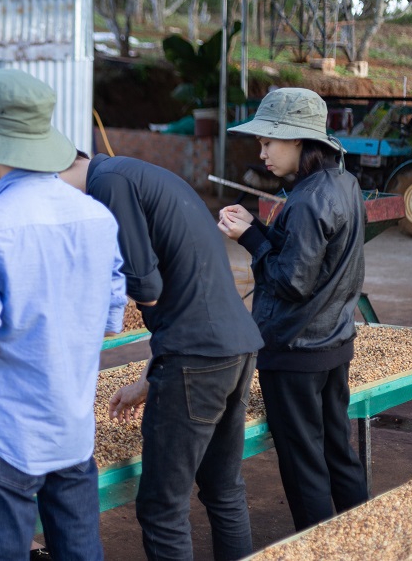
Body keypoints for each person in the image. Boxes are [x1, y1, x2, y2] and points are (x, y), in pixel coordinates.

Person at [0, 68, 126, 561]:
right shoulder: (97, 216)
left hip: (7, 433)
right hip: (72, 426)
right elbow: (112, 319)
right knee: (80, 551)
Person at [59, 151, 264, 561]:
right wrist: (150, 379)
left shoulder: (108, 183)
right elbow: (186, 287)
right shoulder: (138, 174)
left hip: (196, 357)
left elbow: (147, 288)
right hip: (236, 347)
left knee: (161, 508)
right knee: (223, 490)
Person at [218, 87, 369, 531]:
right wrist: (258, 227)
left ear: (299, 140)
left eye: (268, 142)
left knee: (305, 468)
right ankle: (362, 539)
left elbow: (291, 281)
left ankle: (318, 548)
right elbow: (310, 261)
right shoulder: (343, 183)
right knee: (338, 453)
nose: (261, 152)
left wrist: (249, 238)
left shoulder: (305, 200)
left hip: (295, 352)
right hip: (334, 342)